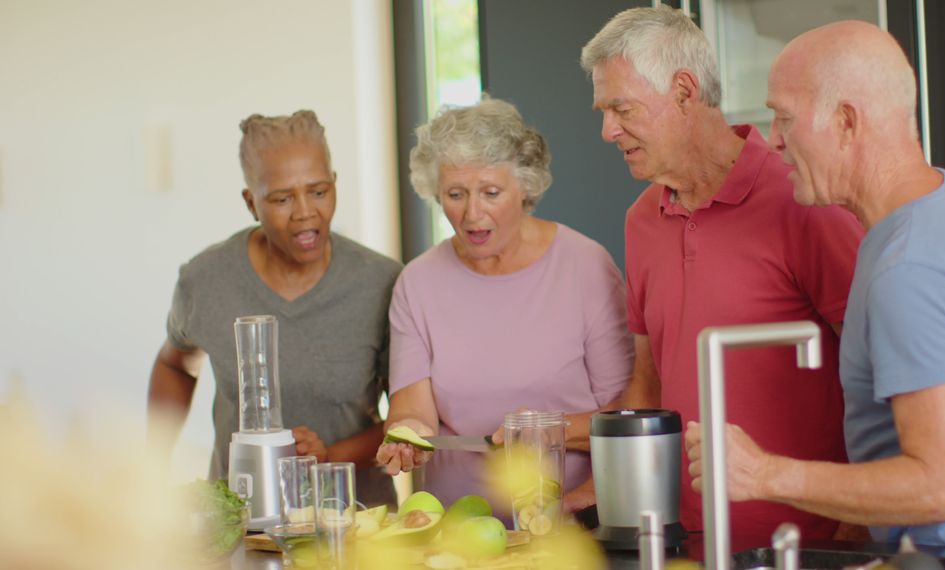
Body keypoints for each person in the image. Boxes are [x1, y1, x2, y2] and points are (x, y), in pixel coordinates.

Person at [687, 20, 945, 552]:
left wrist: (762, 475)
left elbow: (942, 489)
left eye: (784, 117)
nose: (773, 139)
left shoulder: (908, 267)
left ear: (846, 122)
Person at [579, 6, 865, 545]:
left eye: (620, 108)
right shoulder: (641, 219)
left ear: (684, 91)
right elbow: (649, 379)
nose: (606, 130)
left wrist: (857, 522)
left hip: (807, 540)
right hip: (683, 536)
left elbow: (877, 368)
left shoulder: (803, 198)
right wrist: (612, 492)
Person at [374, 98, 633, 515]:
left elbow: (626, 413)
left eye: (491, 193)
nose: (472, 214)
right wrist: (406, 435)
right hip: (457, 528)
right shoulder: (417, 283)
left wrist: (547, 430)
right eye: (455, 194)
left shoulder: (585, 266)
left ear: (525, 186)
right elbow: (411, 409)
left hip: (570, 522)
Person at [147, 110, 402, 506]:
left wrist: (330, 456)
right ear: (251, 202)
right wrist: (152, 465)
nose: (304, 212)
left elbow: (407, 420)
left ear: (335, 184)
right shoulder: (206, 279)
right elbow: (175, 364)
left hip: (355, 526)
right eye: (282, 198)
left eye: (318, 191)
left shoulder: (382, 283)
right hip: (242, 524)